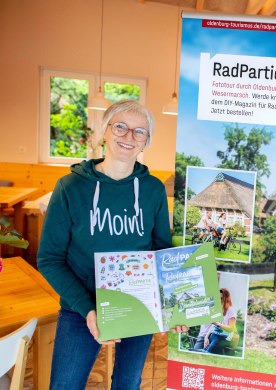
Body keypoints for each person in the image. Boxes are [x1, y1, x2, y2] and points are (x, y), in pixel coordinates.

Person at [37, 100, 172, 390]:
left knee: (127, 384)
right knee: (64, 385)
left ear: (146, 141)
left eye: (139, 132)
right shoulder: (70, 187)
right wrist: (88, 309)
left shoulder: (153, 190)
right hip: (80, 307)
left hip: (139, 305)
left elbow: (162, 252)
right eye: (120, 126)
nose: (128, 136)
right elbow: (50, 259)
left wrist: (174, 304)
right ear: (105, 132)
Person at [204, 288, 237, 355]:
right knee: (214, 337)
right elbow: (213, 326)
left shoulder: (231, 312)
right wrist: (206, 337)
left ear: (226, 299)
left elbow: (231, 328)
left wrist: (217, 323)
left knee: (217, 339)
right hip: (215, 335)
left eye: (221, 298)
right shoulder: (218, 310)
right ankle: (206, 351)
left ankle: (206, 352)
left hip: (225, 338)